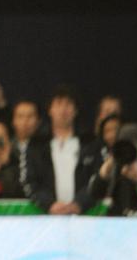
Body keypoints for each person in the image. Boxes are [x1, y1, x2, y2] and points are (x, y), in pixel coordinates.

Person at [31, 86, 98, 214]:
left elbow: (98, 177)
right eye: (58, 104)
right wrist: (49, 204)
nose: (63, 110)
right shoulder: (36, 145)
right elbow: (30, 181)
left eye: (68, 104)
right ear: (50, 110)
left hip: (85, 215)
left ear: (75, 110)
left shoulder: (90, 142)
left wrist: (79, 203)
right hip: (46, 216)